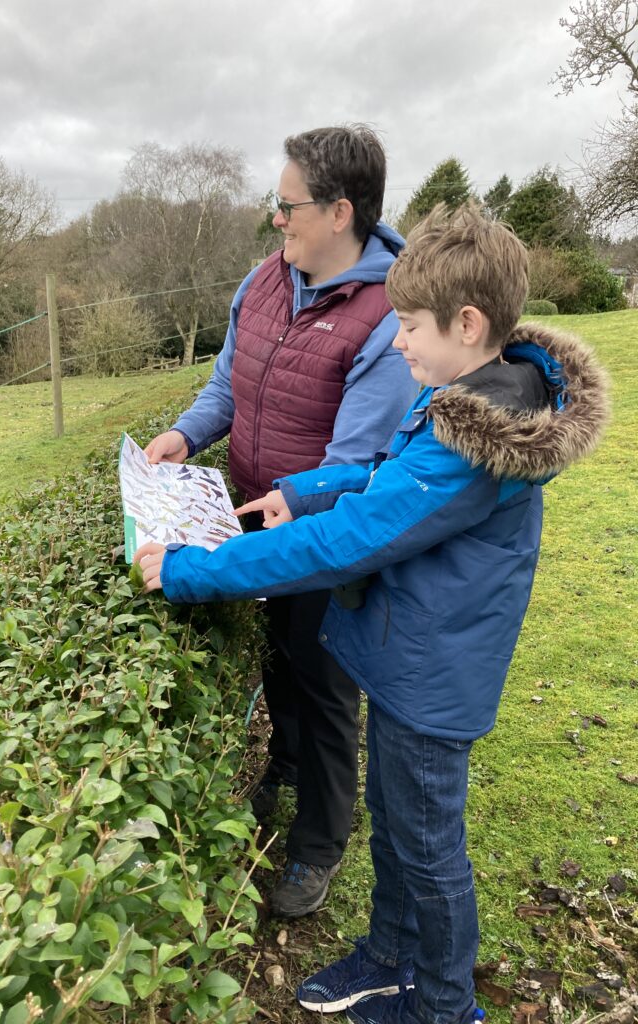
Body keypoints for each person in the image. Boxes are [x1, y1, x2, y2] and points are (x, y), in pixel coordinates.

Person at [134, 202, 609, 1024]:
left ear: (466, 322)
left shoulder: (473, 433)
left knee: (428, 852)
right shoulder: (477, 393)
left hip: (430, 681)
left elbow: (349, 542)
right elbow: (389, 484)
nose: (396, 343)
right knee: (396, 829)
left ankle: (443, 1005)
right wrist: (307, 488)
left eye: (409, 326)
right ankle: (390, 959)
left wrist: (192, 567)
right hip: (409, 665)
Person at [144, 125, 417, 918]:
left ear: (339, 212)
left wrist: (294, 510)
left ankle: (320, 842)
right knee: (278, 661)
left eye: (286, 203)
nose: (276, 218)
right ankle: (285, 768)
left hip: (325, 535)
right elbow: (226, 386)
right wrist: (184, 434)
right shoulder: (262, 283)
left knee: (326, 680)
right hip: (257, 518)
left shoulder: (384, 316)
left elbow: (354, 459)